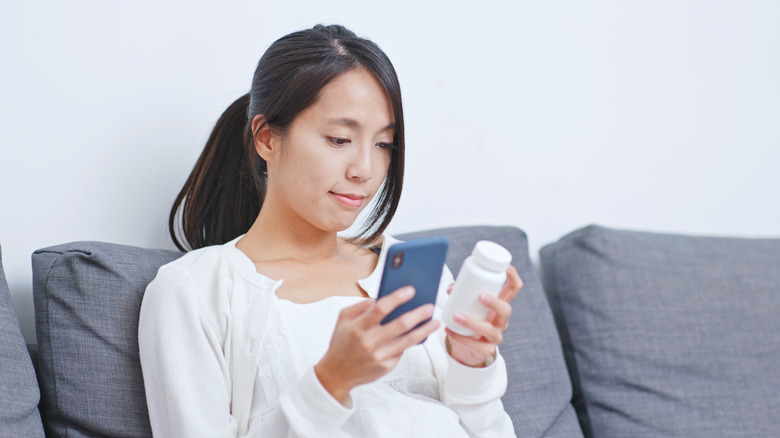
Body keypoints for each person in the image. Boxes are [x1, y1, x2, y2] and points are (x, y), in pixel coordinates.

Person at [138, 24, 523, 438]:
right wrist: (331, 382)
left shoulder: (412, 273)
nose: (365, 170)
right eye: (340, 139)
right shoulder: (194, 289)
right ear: (266, 138)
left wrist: (470, 364)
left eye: (383, 145)